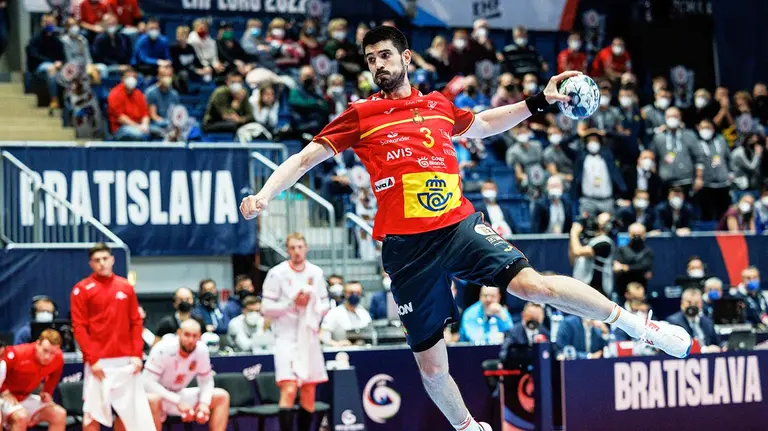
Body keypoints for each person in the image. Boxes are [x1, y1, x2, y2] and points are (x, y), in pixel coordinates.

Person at [239, 26, 692, 431]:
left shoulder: (437, 105)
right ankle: (468, 428)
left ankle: (638, 326)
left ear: (406, 59)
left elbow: (487, 124)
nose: (377, 64)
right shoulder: (360, 115)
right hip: (406, 250)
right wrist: (264, 197)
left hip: (458, 226)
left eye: (384, 55)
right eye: (371, 58)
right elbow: (304, 159)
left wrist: (539, 102)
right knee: (433, 368)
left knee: (536, 287)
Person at [70, 243, 153, 431]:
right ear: (91, 263)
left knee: (129, 415)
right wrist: (93, 359)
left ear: (112, 260)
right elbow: (79, 327)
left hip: (126, 361)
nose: (102, 263)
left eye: (105, 259)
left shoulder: (125, 287)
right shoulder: (81, 289)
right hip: (98, 362)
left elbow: (136, 322)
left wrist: (136, 355)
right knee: (91, 415)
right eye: (97, 260)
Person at [260, 233, 329, 431]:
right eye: (292, 248)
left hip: (308, 336)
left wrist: (311, 302)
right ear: (288, 250)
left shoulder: (316, 273)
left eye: (300, 247)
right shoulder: (277, 273)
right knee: (289, 388)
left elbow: (325, 304)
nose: (297, 251)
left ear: (306, 248)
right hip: (286, 337)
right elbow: (265, 308)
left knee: (309, 390)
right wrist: (292, 302)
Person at [144, 320, 230, 431]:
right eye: (187, 335)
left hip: (179, 394)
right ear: (179, 333)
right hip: (158, 397)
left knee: (221, 396)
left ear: (199, 336)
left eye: (195, 336)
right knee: (153, 399)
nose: (191, 340)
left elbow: (206, 380)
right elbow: (147, 384)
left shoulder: (202, 350)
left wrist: (204, 403)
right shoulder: (162, 348)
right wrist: (177, 401)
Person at [0, 330, 66, 431]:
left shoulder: (58, 357)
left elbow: (55, 375)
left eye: (52, 353)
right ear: (37, 344)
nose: (48, 356)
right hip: (5, 397)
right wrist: (4, 391)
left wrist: (47, 391)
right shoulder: (17, 353)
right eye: (45, 351)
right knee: (21, 417)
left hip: (25, 397)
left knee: (59, 414)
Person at [569, 213, 615, 298]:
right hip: (583, 287)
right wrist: (574, 236)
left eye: (600, 220)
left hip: (599, 290)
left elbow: (577, 251)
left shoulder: (605, 243)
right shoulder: (590, 241)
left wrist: (574, 233)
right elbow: (573, 260)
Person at [666, 288, 720, 353]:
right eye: (689, 302)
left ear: (701, 304)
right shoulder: (673, 322)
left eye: (696, 303)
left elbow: (717, 344)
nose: (692, 306)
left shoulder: (708, 322)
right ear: (682, 303)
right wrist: (703, 350)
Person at [320, 281, 372, 346]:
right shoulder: (334, 313)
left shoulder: (364, 313)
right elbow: (322, 336)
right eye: (351, 292)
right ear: (344, 293)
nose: (355, 295)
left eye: (358, 292)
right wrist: (337, 344)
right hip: (341, 352)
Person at [107, 67, 150, 140]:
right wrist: (138, 127)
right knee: (139, 134)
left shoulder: (139, 94)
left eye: (133, 77)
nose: (131, 80)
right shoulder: (115, 93)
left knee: (159, 131)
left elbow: (145, 114)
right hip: (121, 128)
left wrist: (145, 125)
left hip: (139, 126)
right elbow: (120, 118)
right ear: (122, 79)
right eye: (128, 77)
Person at [612, 223, 654, 298]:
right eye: (634, 235)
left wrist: (626, 268)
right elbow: (617, 267)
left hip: (640, 292)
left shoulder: (648, 252)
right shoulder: (621, 250)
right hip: (622, 292)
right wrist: (636, 268)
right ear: (629, 234)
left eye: (639, 235)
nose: (637, 237)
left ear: (644, 235)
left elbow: (644, 267)